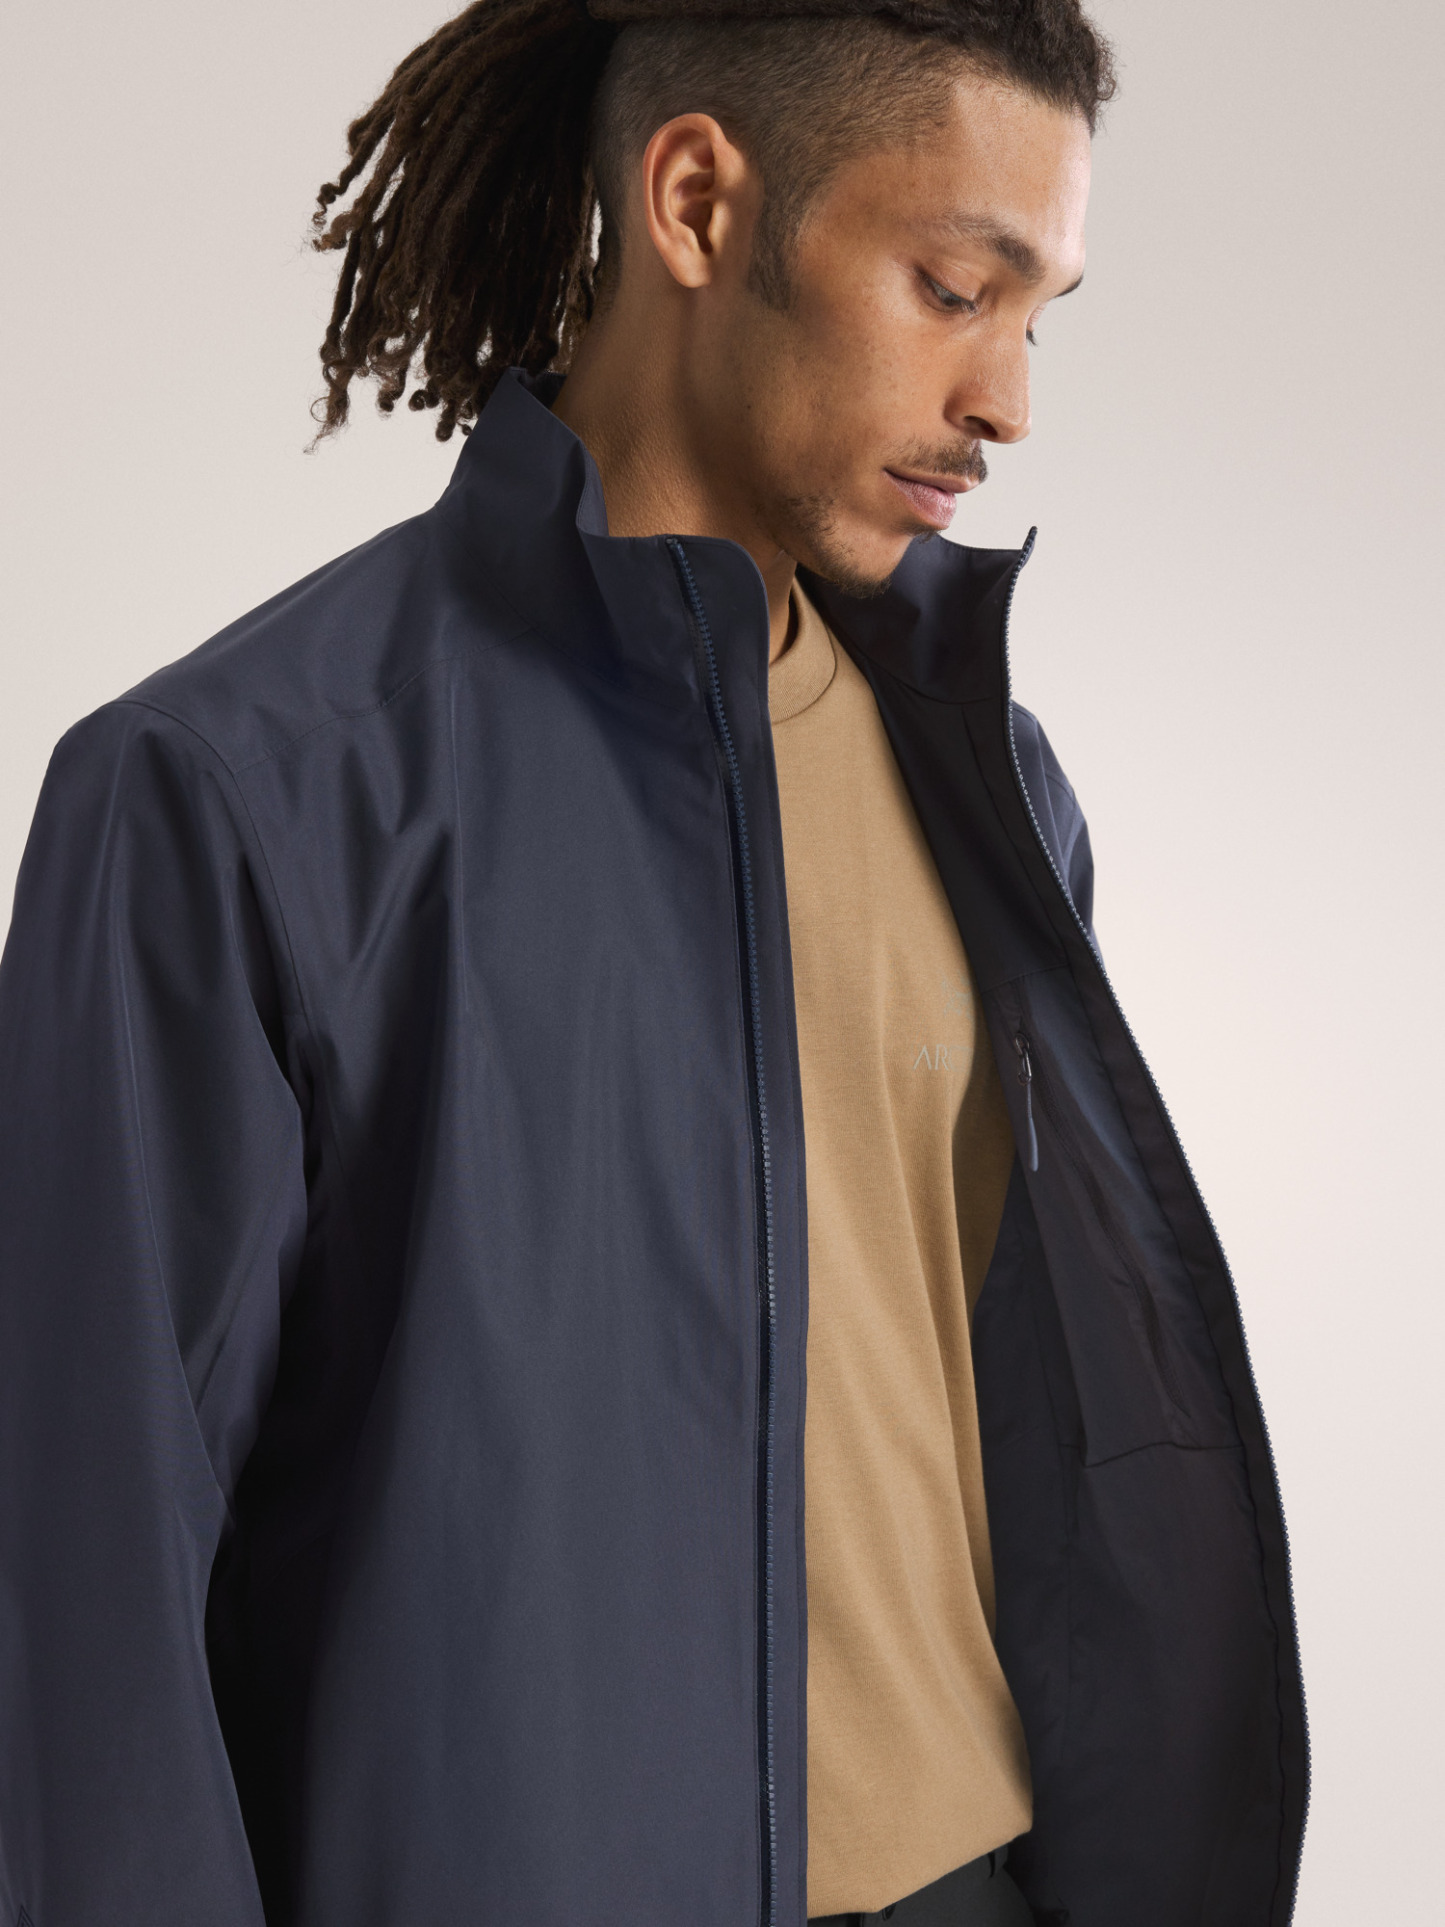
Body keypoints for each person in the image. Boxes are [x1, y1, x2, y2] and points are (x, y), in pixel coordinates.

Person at [0, 1, 1308, 1923]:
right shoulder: (238, 795)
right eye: (954, 289)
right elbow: (84, 1603)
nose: (1009, 400)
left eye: (1039, 317)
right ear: (696, 202)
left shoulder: (994, 786)